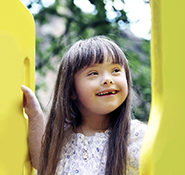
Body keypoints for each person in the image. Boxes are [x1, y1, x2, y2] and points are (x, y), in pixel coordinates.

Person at [21, 36, 147, 175]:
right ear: (71, 90)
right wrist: (35, 115)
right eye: (93, 73)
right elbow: (41, 162)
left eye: (116, 70)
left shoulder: (137, 136)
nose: (107, 79)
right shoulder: (62, 136)